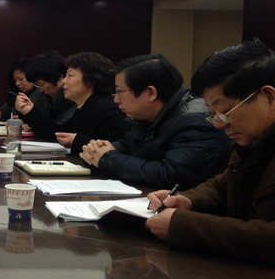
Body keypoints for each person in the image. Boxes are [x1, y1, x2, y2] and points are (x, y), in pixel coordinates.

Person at [146, 40, 275, 279]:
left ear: (269, 97)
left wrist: (182, 225)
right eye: (213, 114)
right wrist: (188, 200)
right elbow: (226, 183)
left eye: (225, 112)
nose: (219, 124)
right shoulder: (262, 133)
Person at [80, 53, 232, 189]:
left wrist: (107, 158)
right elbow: (123, 146)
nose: (116, 99)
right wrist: (95, 151)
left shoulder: (195, 121)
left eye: (119, 91)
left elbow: (171, 174)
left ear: (150, 93)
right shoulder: (146, 116)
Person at [54, 52, 130, 154]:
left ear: (90, 80)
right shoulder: (85, 106)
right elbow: (61, 133)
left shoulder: (107, 109)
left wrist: (77, 141)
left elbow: (115, 149)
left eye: (70, 75)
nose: (64, 81)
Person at [13, 50, 76, 140]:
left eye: (41, 84)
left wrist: (31, 112)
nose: (41, 90)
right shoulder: (51, 98)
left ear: (59, 78)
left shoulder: (73, 100)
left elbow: (59, 134)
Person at [0, 58, 48, 123]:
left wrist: (24, 120)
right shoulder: (15, 93)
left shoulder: (43, 93)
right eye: (15, 80)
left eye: (21, 79)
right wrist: (1, 114)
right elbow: (9, 111)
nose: (18, 83)